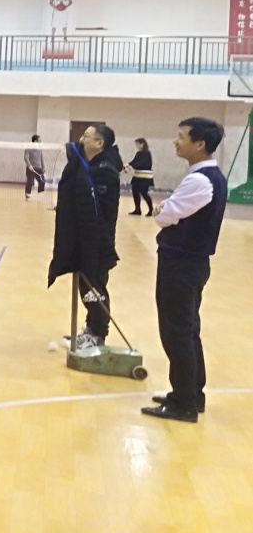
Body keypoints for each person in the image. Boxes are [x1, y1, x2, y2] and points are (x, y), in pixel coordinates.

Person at [141, 117, 227, 423]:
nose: (175, 141)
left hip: (182, 265)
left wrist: (164, 209)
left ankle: (184, 403)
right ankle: (190, 394)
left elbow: (163, 217)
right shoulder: (205, 177)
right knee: (187, 331)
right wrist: (167, 208)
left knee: (177, 333)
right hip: (189, 264)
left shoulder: (200, 180)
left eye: (181, 136)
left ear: (199, 144)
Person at [47, 124, 122, 348]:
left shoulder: (105, 170)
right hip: (87, 239)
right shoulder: (91, 166)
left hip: (97, 242)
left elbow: (96, 208)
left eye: (86, 136)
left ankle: (98, 335)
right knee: (86, 286)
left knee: (94, 289)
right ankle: (91, 329)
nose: (81, 139)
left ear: (99, 143)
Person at [125, 137, 155, 216]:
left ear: (142, 144)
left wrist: (130, 168)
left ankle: (151, 209)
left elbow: (140, 164)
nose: (137, 146)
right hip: (137, 176)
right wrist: (126, 165)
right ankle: (137, 209)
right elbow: (134, 161)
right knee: (135, 191)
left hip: (145, 177)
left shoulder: (146, 153)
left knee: (144, 193)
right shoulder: (138, 153)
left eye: (138, 144)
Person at [24, 134, 46, 201]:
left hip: (39, 168)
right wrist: (29, 165)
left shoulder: (40, 148)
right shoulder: (29, 148)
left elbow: (41, 158)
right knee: (30, 182)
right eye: (39, 140)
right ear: (35, 141)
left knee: (42, 181)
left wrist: (43, 167)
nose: (40, 141)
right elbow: (26, 157)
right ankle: (28, 196)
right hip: (31, 169)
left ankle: (40, 195)